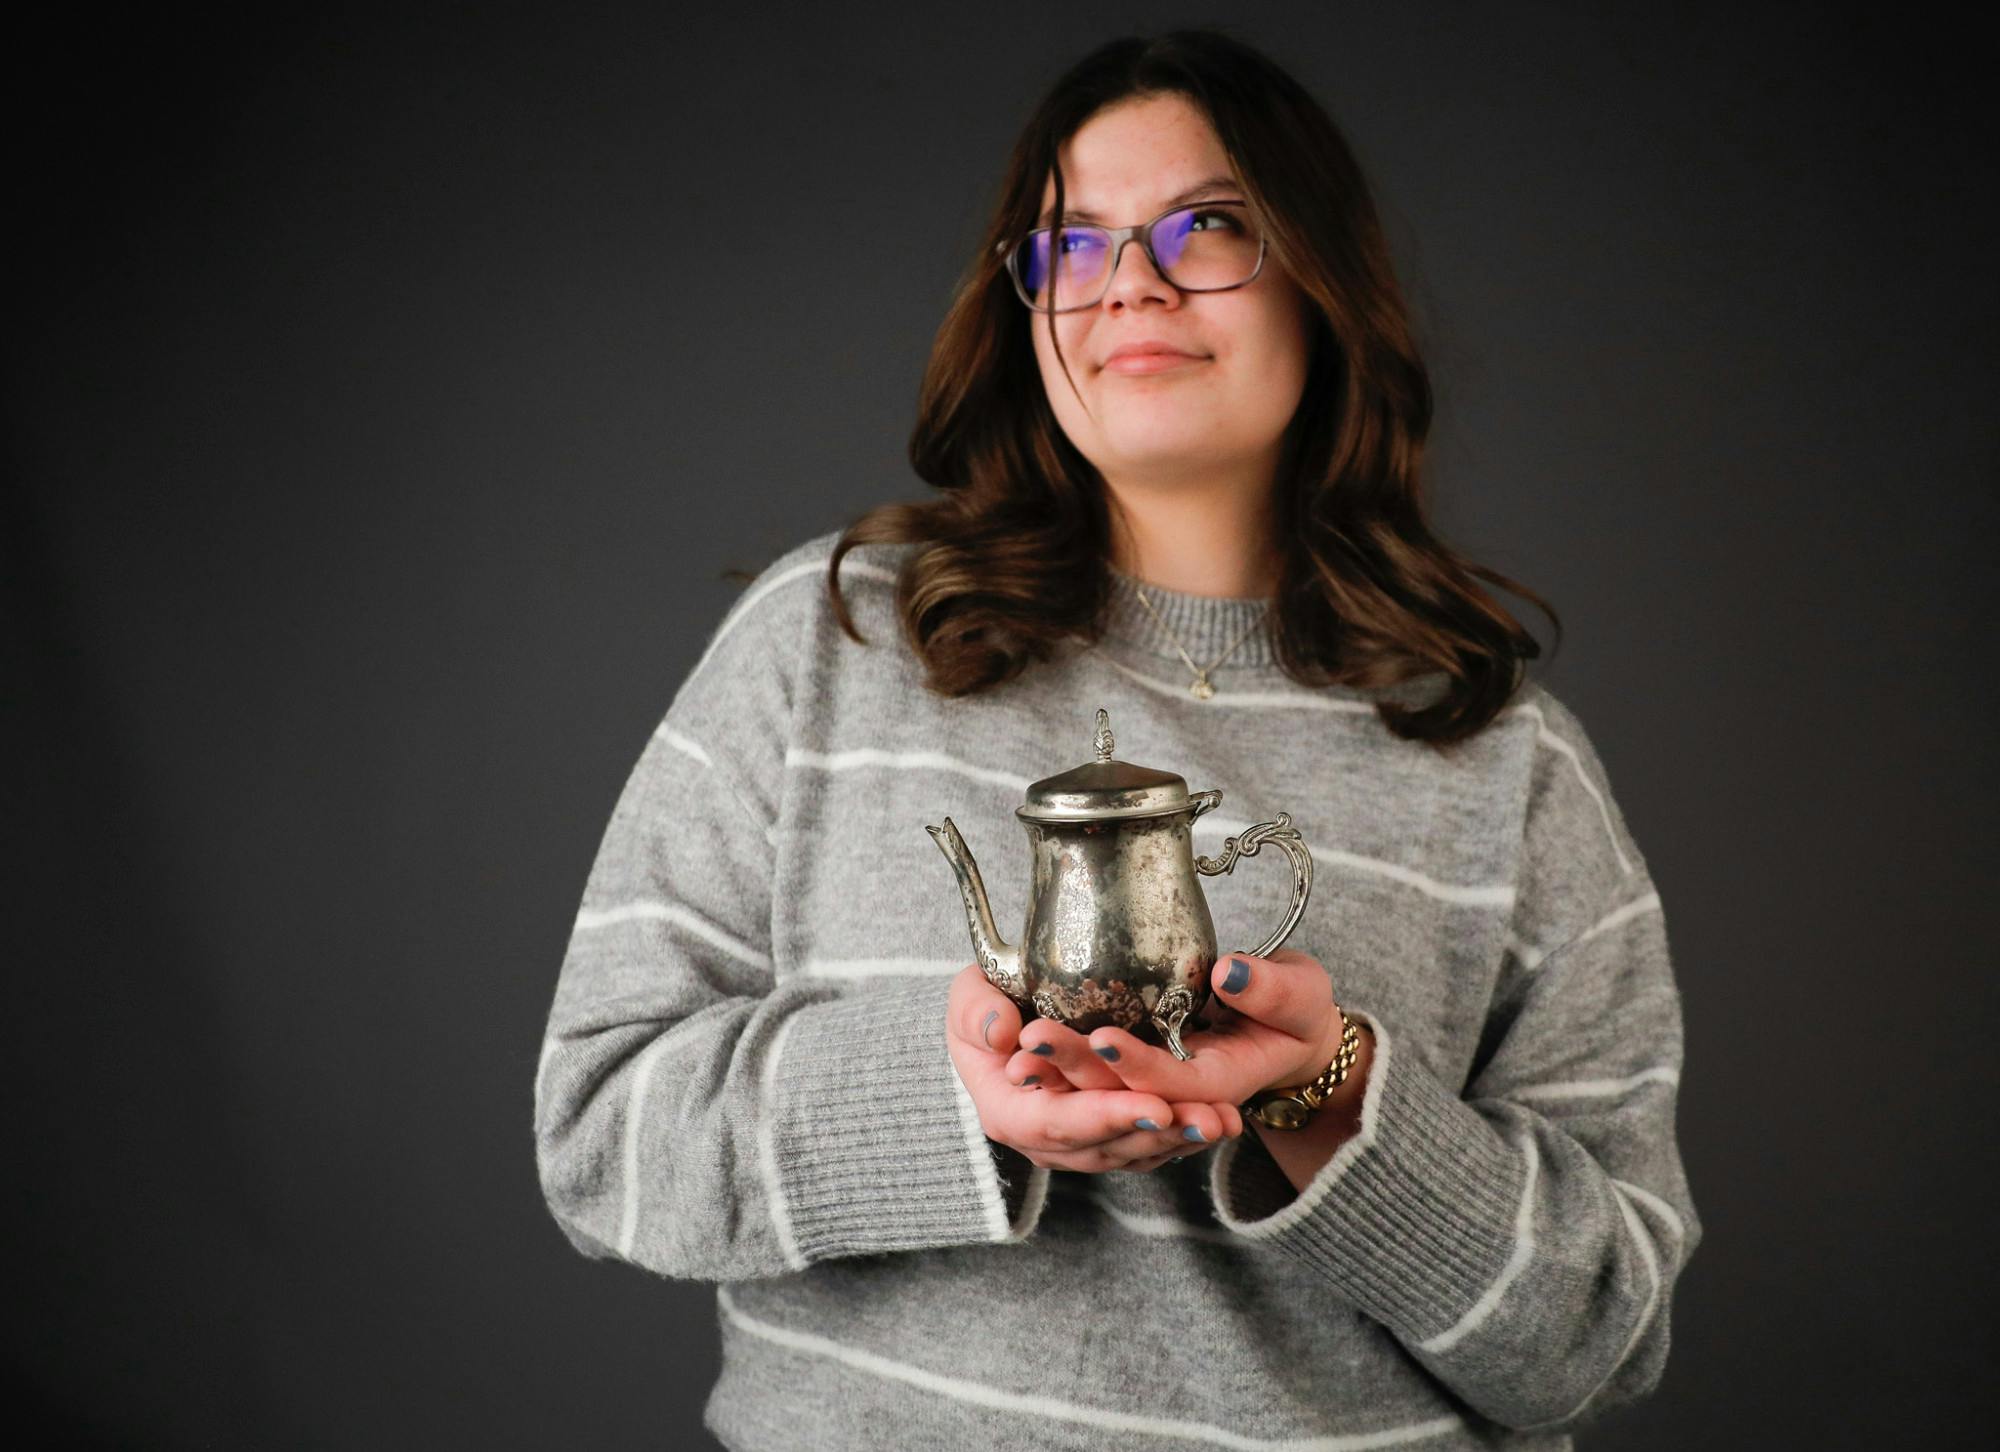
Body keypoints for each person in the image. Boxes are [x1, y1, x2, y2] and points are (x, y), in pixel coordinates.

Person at [534, 28, 1701, 1452]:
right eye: (1072, 246)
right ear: (1024, 311)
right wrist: (952, 1101)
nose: (1130, 283)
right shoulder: (834, 639)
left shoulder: (1508, 762)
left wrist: (1318, 1086)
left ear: (1323, 286)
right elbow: (597, 1138)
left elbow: (1603, 1336)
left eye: (1205, 227)